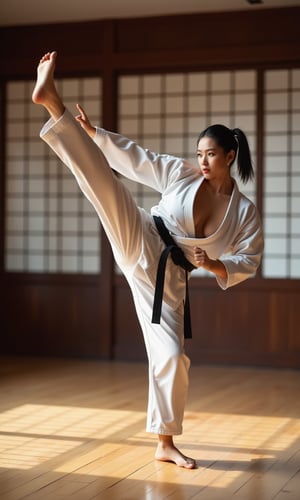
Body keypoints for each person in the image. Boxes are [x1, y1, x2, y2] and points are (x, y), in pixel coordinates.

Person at [32, 51, 264, 469]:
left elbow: (249, 257)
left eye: (210, 154)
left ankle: (165, 442)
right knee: (104, 187)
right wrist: (97, 134)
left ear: (230, 155)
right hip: (142, 235)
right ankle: (53, 104)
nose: (202, 161)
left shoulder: (244, 211)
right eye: (199, 153)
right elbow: (142, 159)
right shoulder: (183, 175)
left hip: (170, 279)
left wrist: (215, 267)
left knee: (173, 357)